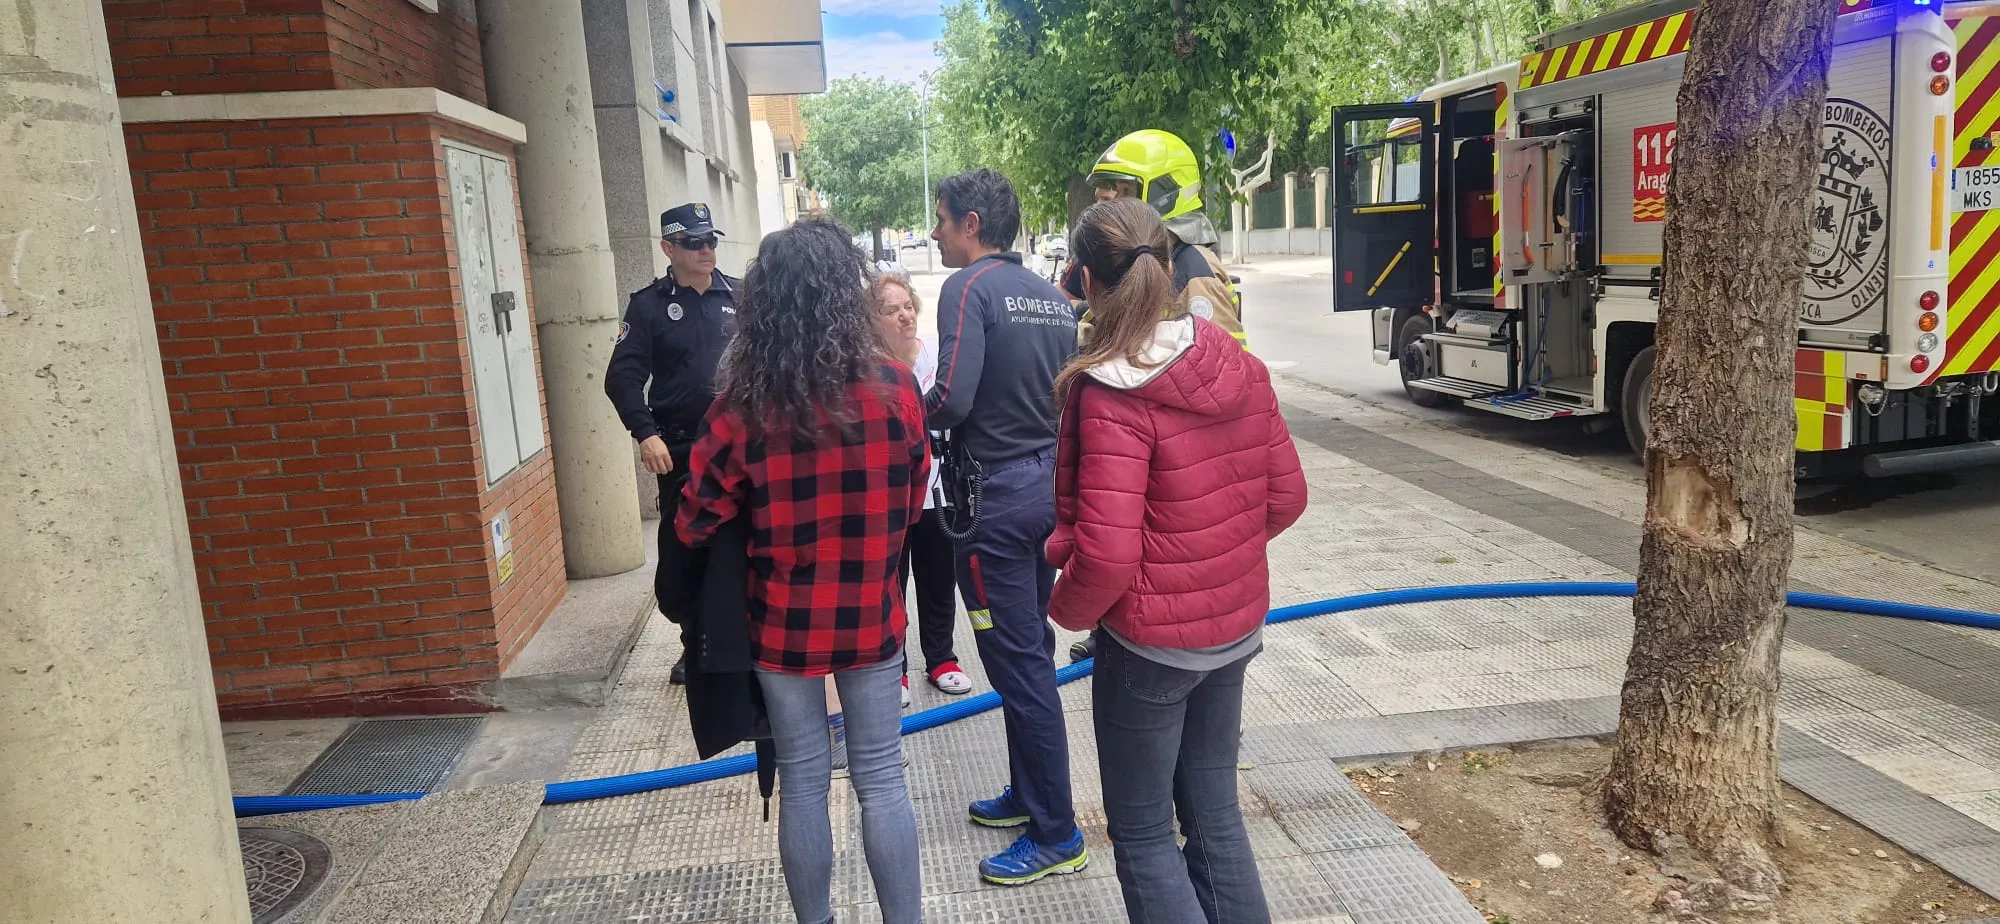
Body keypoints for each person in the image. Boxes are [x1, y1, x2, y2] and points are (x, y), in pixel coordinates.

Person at [1045, 198, 1308, 924]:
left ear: (1086, 283)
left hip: (1150, 652)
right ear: (1167, 266)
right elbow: (1286, 498)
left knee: (1142, 834)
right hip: (1232, 634)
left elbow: (1105, 553)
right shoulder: (1237, 363)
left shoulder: (1111, 392)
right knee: (1216, 813)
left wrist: (1062, 612)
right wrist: (1215, 563)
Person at [676, 218, 927, 924]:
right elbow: (912, 505)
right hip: (873, 614)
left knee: (805, 781)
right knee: (882, 778)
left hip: (782, 624)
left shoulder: (741, 410)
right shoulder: (897, 389)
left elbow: (694, 520)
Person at [926, 168, 1086, 885]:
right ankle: (1028, 794)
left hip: (993, 500)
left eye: (939, 220)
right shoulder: (1052, 297)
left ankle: (1056, 832)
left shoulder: (968, 289)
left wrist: (905, 406)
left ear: (970, 224)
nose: (932, 234)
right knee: (1032, 649)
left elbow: (953, 401)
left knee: (1017, 664)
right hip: (1047, 485)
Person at [1061, 129, 1247, 664]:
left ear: (1161, 193)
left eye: (1118, 188)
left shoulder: (1193, 271)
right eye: (1104, 190)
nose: (1105, 199)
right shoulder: (1132, 262)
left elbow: (1225, 376)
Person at [604, 202, 739, 686]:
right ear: (668, 247)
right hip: (681, 451)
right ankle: (695, 646)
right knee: (688, 551)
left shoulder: (743, 297)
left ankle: (745, 642)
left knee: (743, 546)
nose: (706, 250)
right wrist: (646, 433)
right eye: (694, 243)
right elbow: (622, 377)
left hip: (741, 451)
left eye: (711, 241)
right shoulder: (648, 306)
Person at [872, 273, 975, 700]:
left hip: (938, 489)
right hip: (891, 492)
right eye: (891, 309)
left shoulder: (937, 355)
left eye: (907, 305)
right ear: (871, 320)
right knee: (890, 580)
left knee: (937, 576)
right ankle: (893, 665)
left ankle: (941, 658)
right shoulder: (866, 366)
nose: (904, 315)